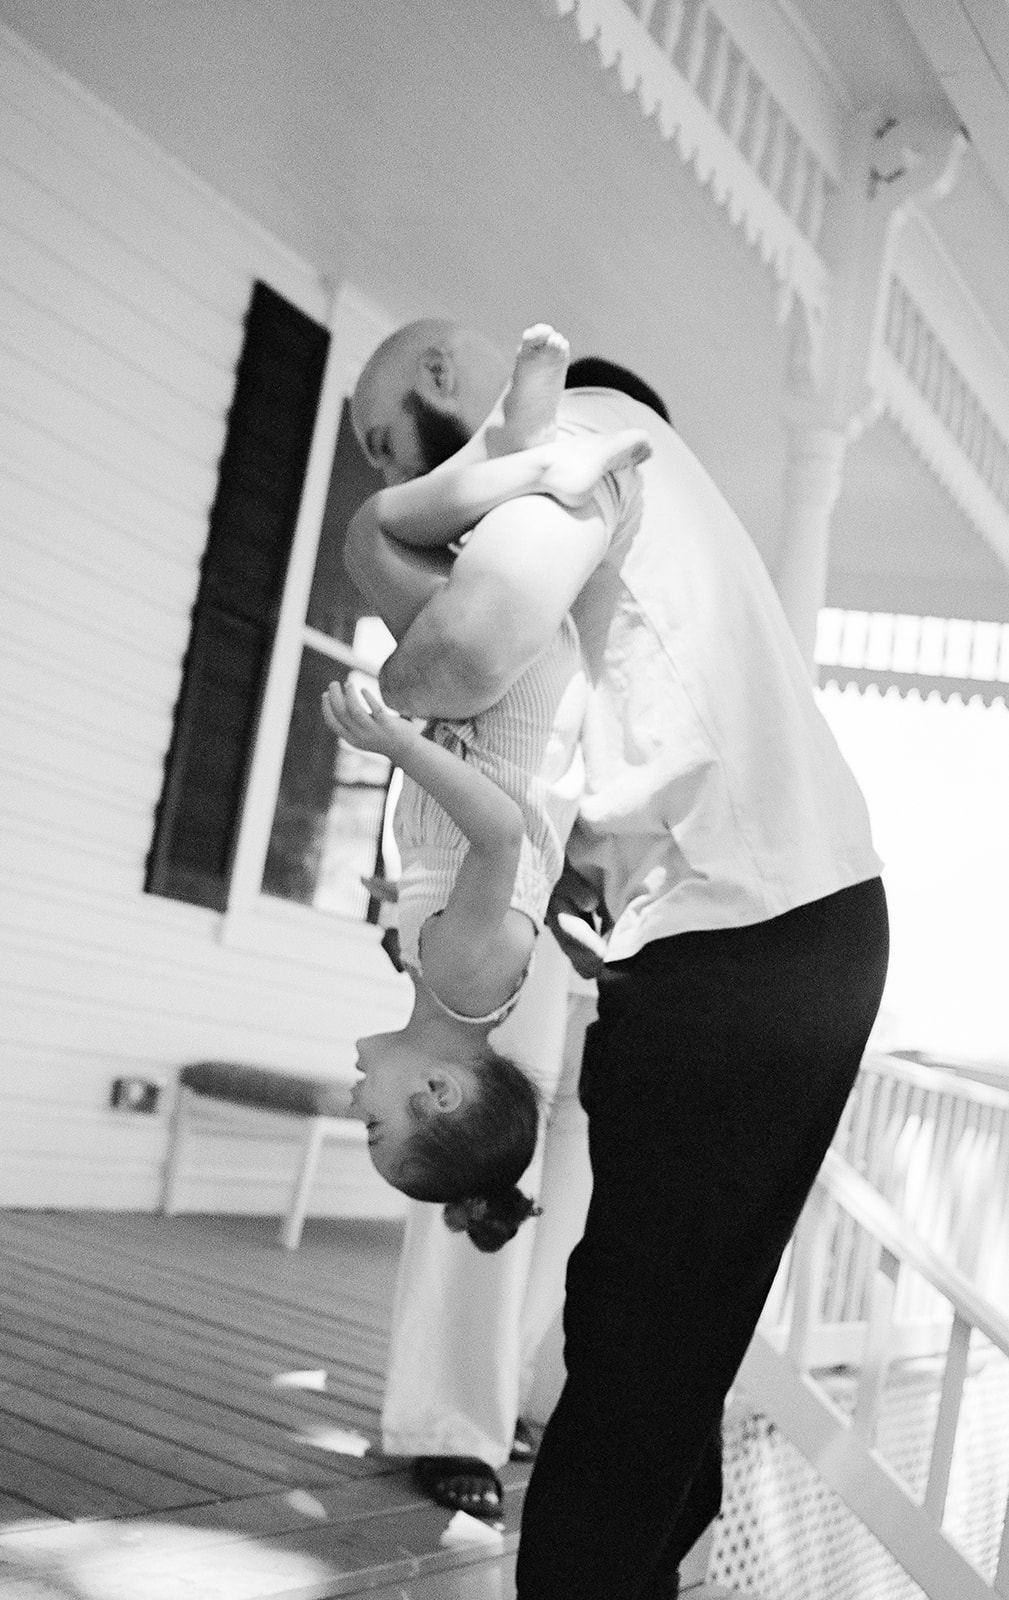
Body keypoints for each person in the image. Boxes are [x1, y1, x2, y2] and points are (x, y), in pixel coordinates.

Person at [348, 317, 889, 1600]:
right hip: (793, 933)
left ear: (436, 381)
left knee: (636, 1358)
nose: (389, 477)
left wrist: (369, 544)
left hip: (748, 946)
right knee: (667, 1352)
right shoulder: (621, 485)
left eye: (383, 441)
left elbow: (463, 657)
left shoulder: (581, 433)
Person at [324, 327, 651, 1245]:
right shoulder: (464, 979)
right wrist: (394, 742)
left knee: (412, 529)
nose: (359, 1101)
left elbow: (491, 864)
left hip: (506, 701)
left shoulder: (453, 979)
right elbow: (501, 834)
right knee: (370, 530)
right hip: (502, 698)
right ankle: (542, 462)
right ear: (436, 1091)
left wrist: (405, 880)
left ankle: (524, 431)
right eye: (375, 1119)